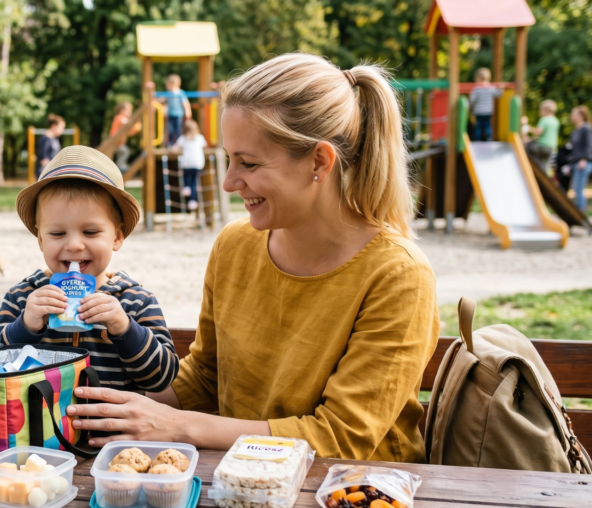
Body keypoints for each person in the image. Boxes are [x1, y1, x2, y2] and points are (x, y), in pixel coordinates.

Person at [64, 54, 440, 464]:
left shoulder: (398, 275)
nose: (228, 182)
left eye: (249, 163)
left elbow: (341, 440)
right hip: (242, 481)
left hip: (353, 492)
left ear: (319, 161)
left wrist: (180, 426)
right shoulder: (235, 245)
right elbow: (205, 376)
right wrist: (106, 408)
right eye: (229, 159)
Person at [0, 145, 179, 393]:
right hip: (41, 419)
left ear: (117, 237)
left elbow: (162, 379)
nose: (74, 245)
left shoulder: (136, 301)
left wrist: (124, 328)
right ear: (40, 239)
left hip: (114, 419)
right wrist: (25, 326)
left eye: (90, 232)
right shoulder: (23, 297)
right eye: (57, 233)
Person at [171, 119, 208, 212]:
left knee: (186, 175)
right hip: (197, 163)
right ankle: (192, 201)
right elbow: (205, 145)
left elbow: (174, 148)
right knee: (194, 181)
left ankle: (186, 187)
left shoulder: (183, 138)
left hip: (187, 163)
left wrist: (171, 149)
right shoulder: (199, 138)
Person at [567, 105, 591, 212]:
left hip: (583, 162)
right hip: (575, 162)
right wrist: (569, 164)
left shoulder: (586, 128)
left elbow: (589, 146)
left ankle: (581, 212)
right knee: (575, 189)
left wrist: (584, 159)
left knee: (579, 188)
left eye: (574, 114)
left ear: (581, 116)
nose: (571, 116)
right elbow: (573, 149)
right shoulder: (575, 130)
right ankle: (578, 212)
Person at [525, 100, 560, 173]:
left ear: (546, 110)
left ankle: (532, 168)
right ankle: (544, 174)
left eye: (540, 109)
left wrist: (528, 128)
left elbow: (538, 131)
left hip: (542, 146)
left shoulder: (544, 119)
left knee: (526, 149)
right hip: (551, 148)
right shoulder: (556, 121)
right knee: (545, 164)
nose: (539, 111)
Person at [469, 68, 501, 142]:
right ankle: (489, 138)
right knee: (487, 125)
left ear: (478, 78)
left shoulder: (477, 89)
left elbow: (472, 99)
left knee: (478, 126)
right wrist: (501, 87)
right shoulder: (491, 87)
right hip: (488, 111)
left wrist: (469, 105)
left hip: (479, 111)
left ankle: (477, 139)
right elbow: (498, 94)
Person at [160, 74, 192, 147]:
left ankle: (178, 144)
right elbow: (164, 101)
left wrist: (188, 112)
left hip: (178, 115)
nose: (167, 86)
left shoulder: (180, 93)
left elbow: (185, 103)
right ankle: (170, 144)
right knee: (170, 130)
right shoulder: (168, 93)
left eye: (168, 84)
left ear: (173, 84)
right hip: (170, 115)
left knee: (178, 130)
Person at [108, 102, 141, 171]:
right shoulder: (121, 118)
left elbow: (129, 132)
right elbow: (127, 125)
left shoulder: (122, 118)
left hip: (118, 142)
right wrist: (136, 126)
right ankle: (119, 166)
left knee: (121, 154)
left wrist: (136, 129)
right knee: (125, 152)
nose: (130, 112)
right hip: (116, 141)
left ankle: (118, 166)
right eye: (129, 110)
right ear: (122, 111)